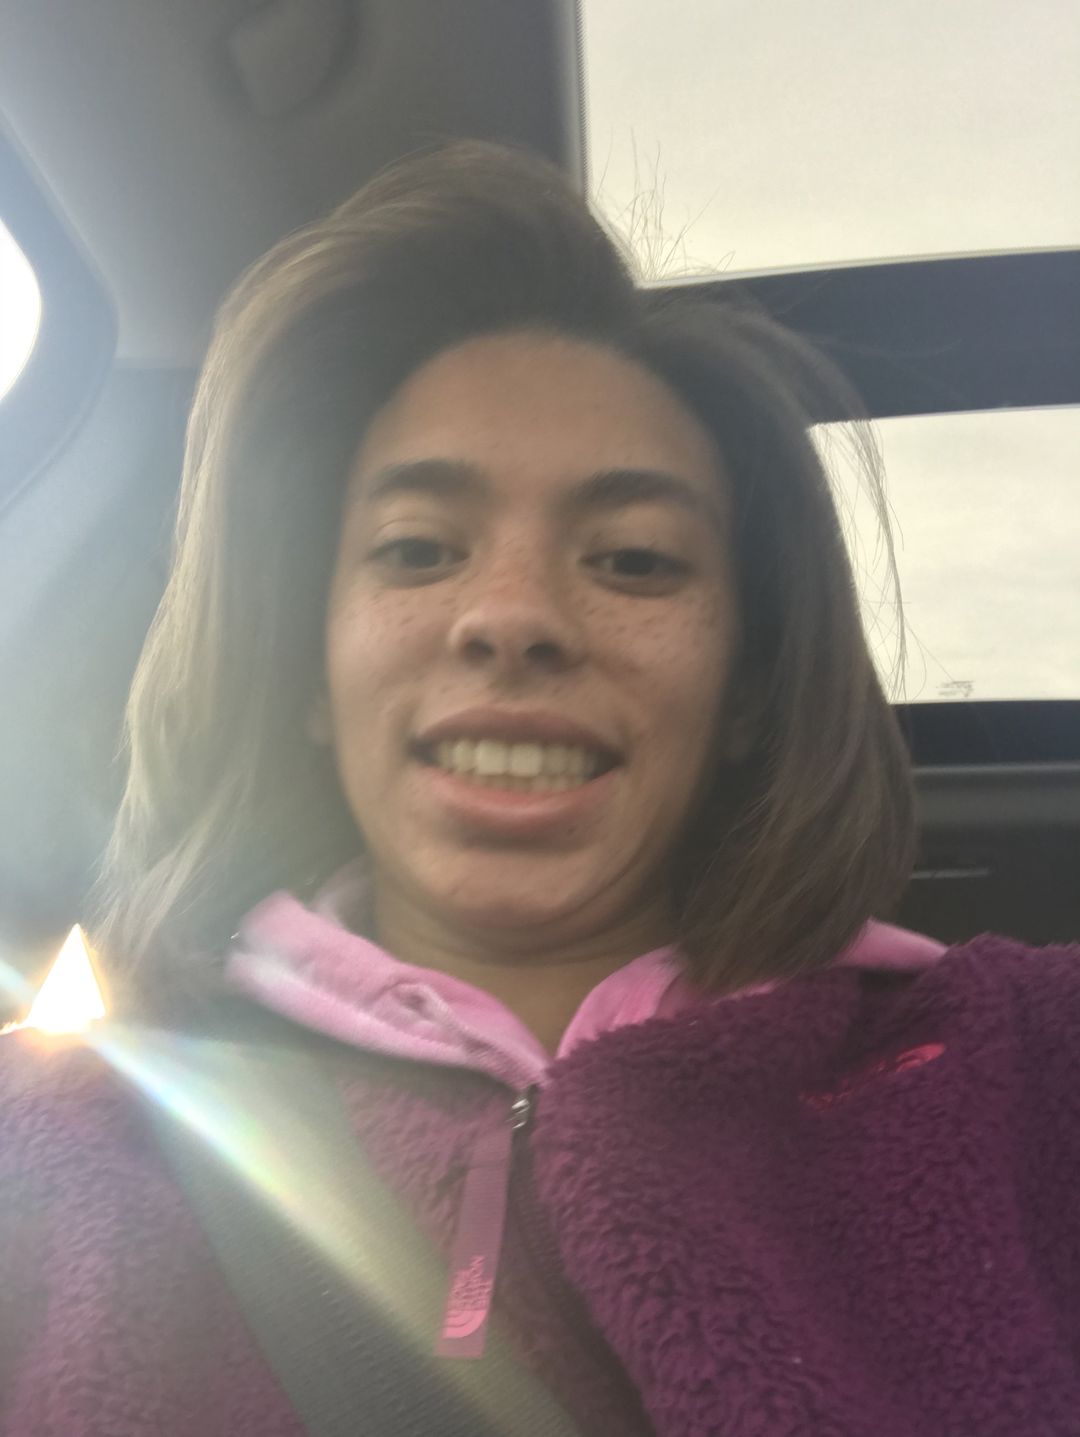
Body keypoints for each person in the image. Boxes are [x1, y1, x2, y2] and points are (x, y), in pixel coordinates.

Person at [1, 140, 1078, 1437]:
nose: (511, 617)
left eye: (634, 559)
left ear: (750, 684)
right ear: (306, 666)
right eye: (417, 548)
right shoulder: (59, 1141)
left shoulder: (1027, 1066)